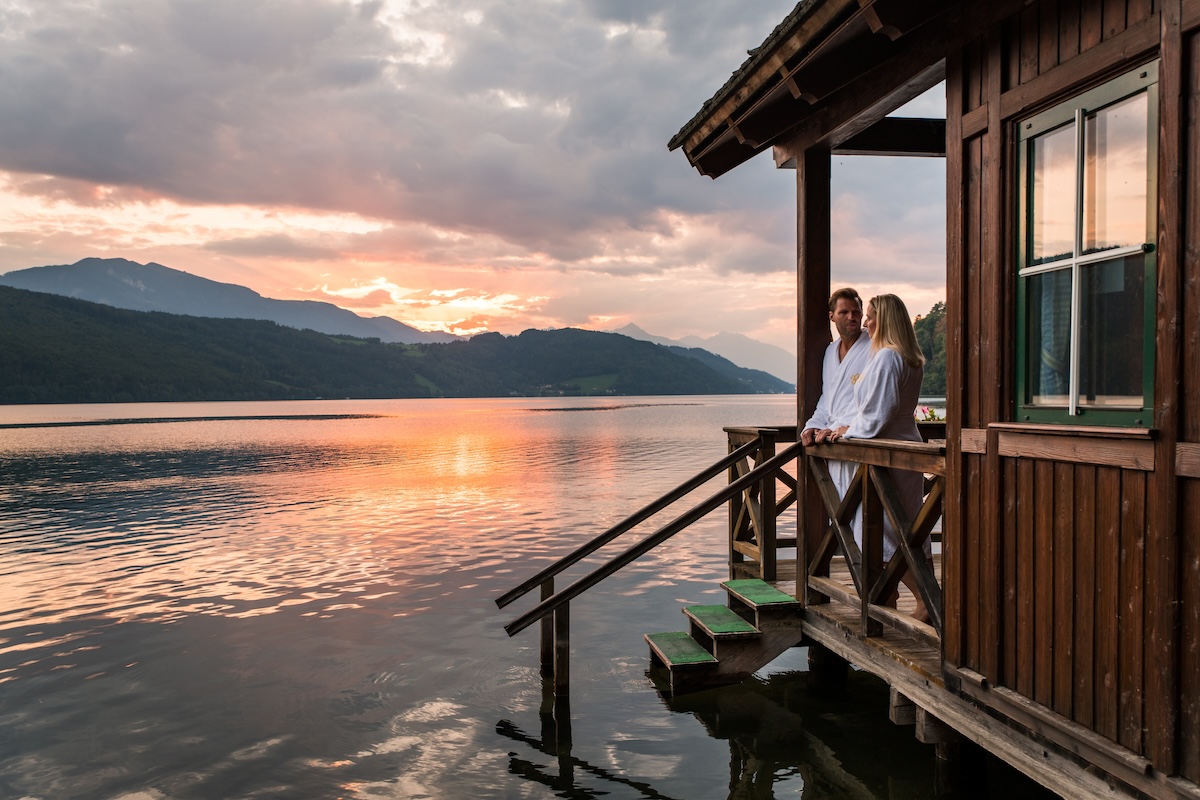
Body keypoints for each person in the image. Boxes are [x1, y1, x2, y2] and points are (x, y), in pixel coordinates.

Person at [825, 293, 931, 623]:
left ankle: (926, 598)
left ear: (883, 318)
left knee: (886, 531)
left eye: (869, 315)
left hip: (888, 452)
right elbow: (880, 411)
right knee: (904, 527)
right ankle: (892, 595)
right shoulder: (909, 356)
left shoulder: (887, 358)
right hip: (904, 445)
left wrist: (847, 432)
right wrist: (850, 424)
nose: (866, 322)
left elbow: (877, 416)